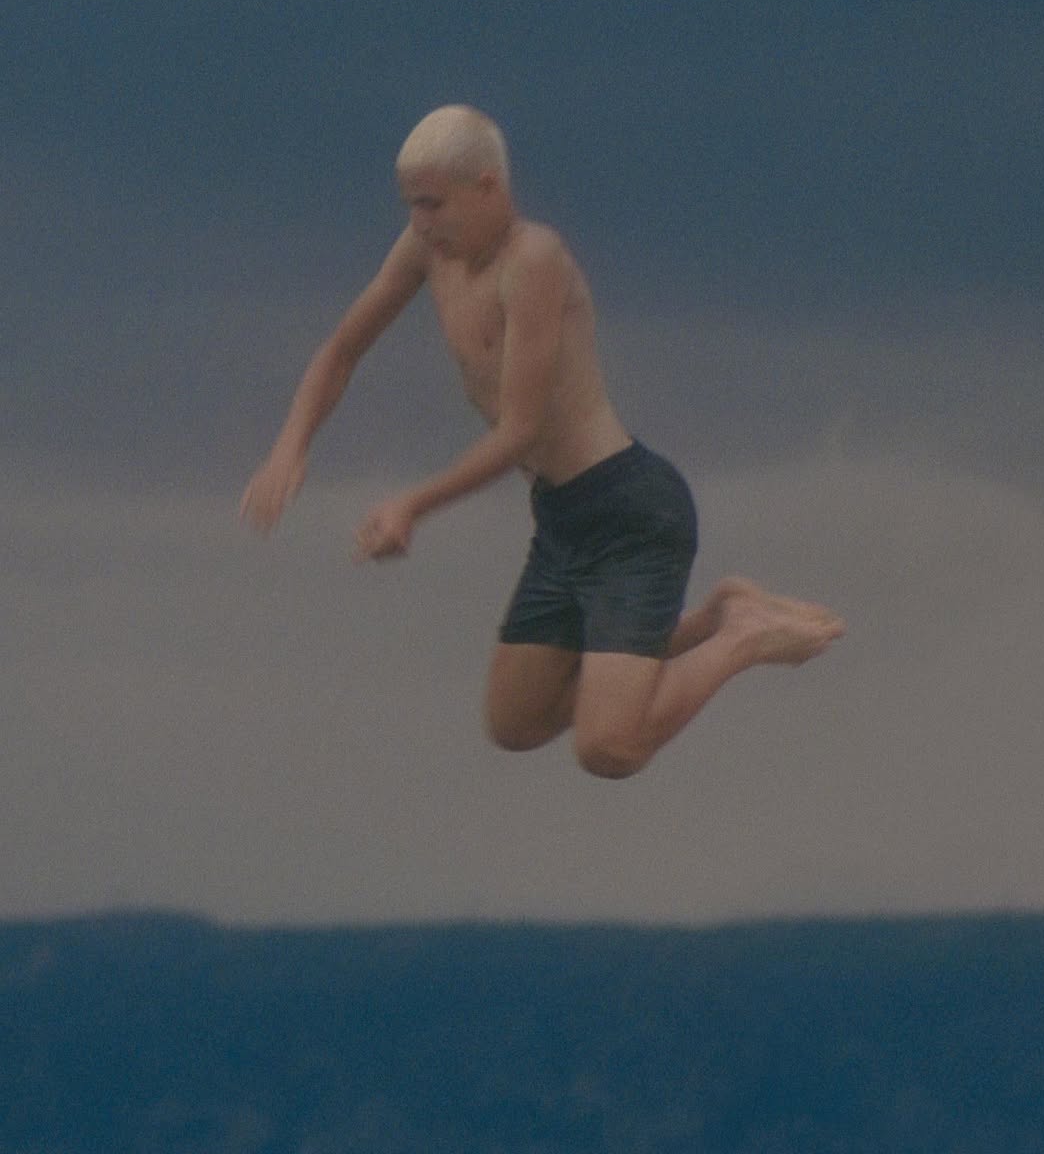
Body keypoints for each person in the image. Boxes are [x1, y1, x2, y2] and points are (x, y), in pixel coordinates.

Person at [240, 105, 844, 779]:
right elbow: (342, 350)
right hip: (561, 518)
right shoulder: (424, 252)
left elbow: (520, 430)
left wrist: (414, 504)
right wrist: (291, 445)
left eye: (435, 205)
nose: (421, 223)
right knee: (516, 723)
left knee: (608, 746)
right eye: (412, 206)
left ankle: (742, 638)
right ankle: (716, 616)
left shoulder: (534, 260)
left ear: (489, 187)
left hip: (629, 512)